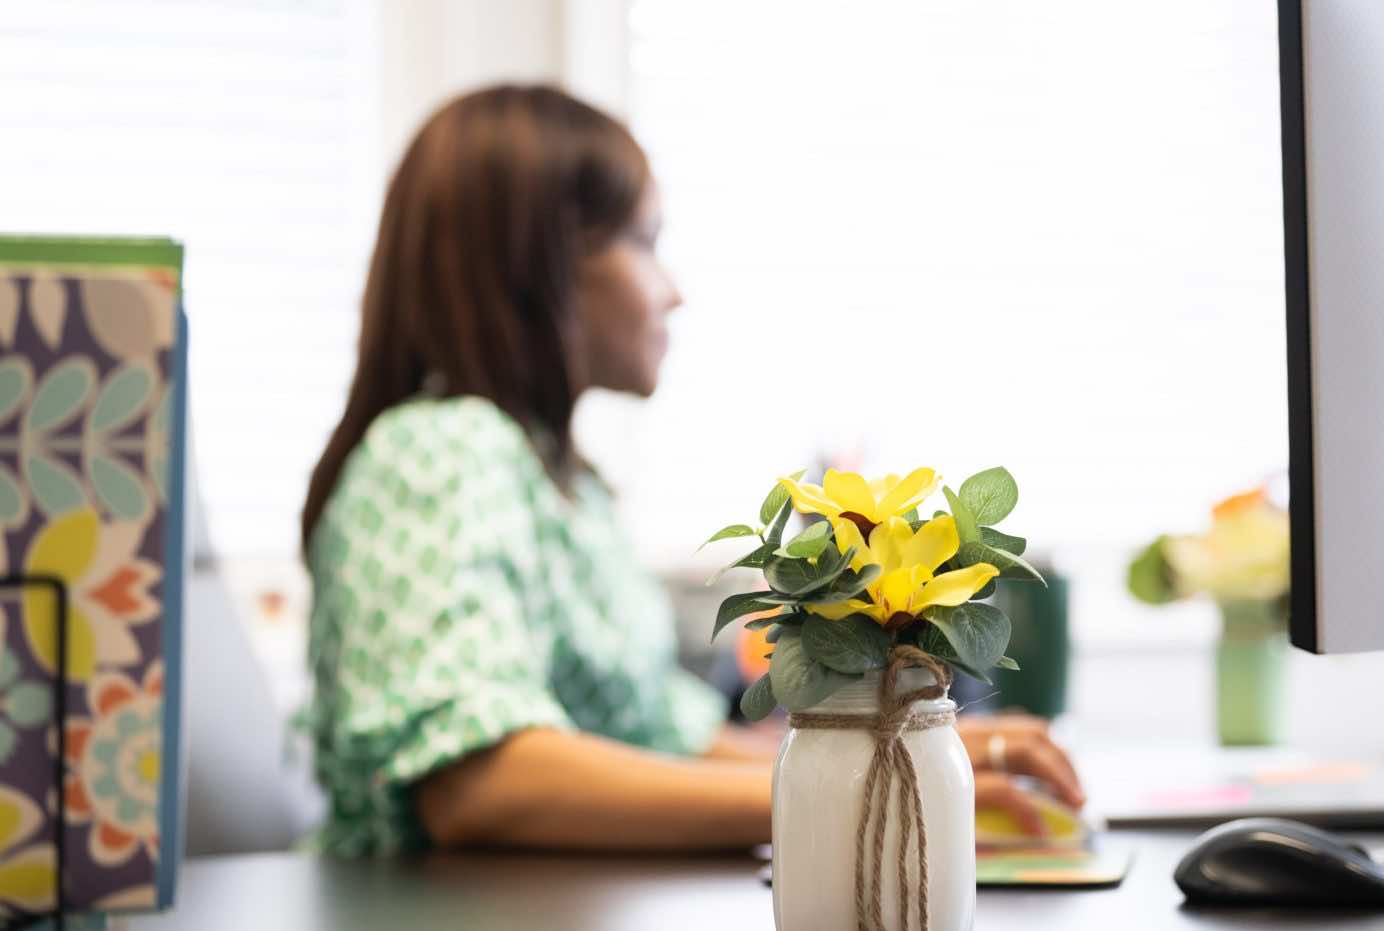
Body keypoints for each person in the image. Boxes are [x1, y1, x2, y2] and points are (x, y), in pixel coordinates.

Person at [300, 84, 1084, 856]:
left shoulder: (559, 482)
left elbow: (664, 742)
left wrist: (916, 757)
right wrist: (866, 797)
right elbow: (481, 782)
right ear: (540, 267)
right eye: (643, 243)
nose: (673, 291)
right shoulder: (438, 453)